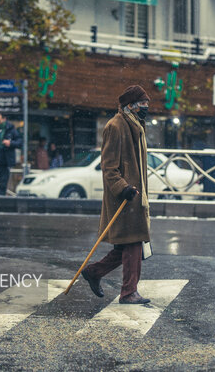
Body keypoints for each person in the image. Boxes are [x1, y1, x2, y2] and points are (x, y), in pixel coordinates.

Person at [81, 85, 152, 304]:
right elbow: (109, 167)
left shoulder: (136, 125)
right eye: (142, 104)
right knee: (132, 243)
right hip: (125, 197)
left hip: (135, 197)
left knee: (126, 246)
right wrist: (123, 188)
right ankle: (129, 292)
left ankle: (94, 272)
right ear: (130, 105)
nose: (146, 108)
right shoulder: (115, 126)